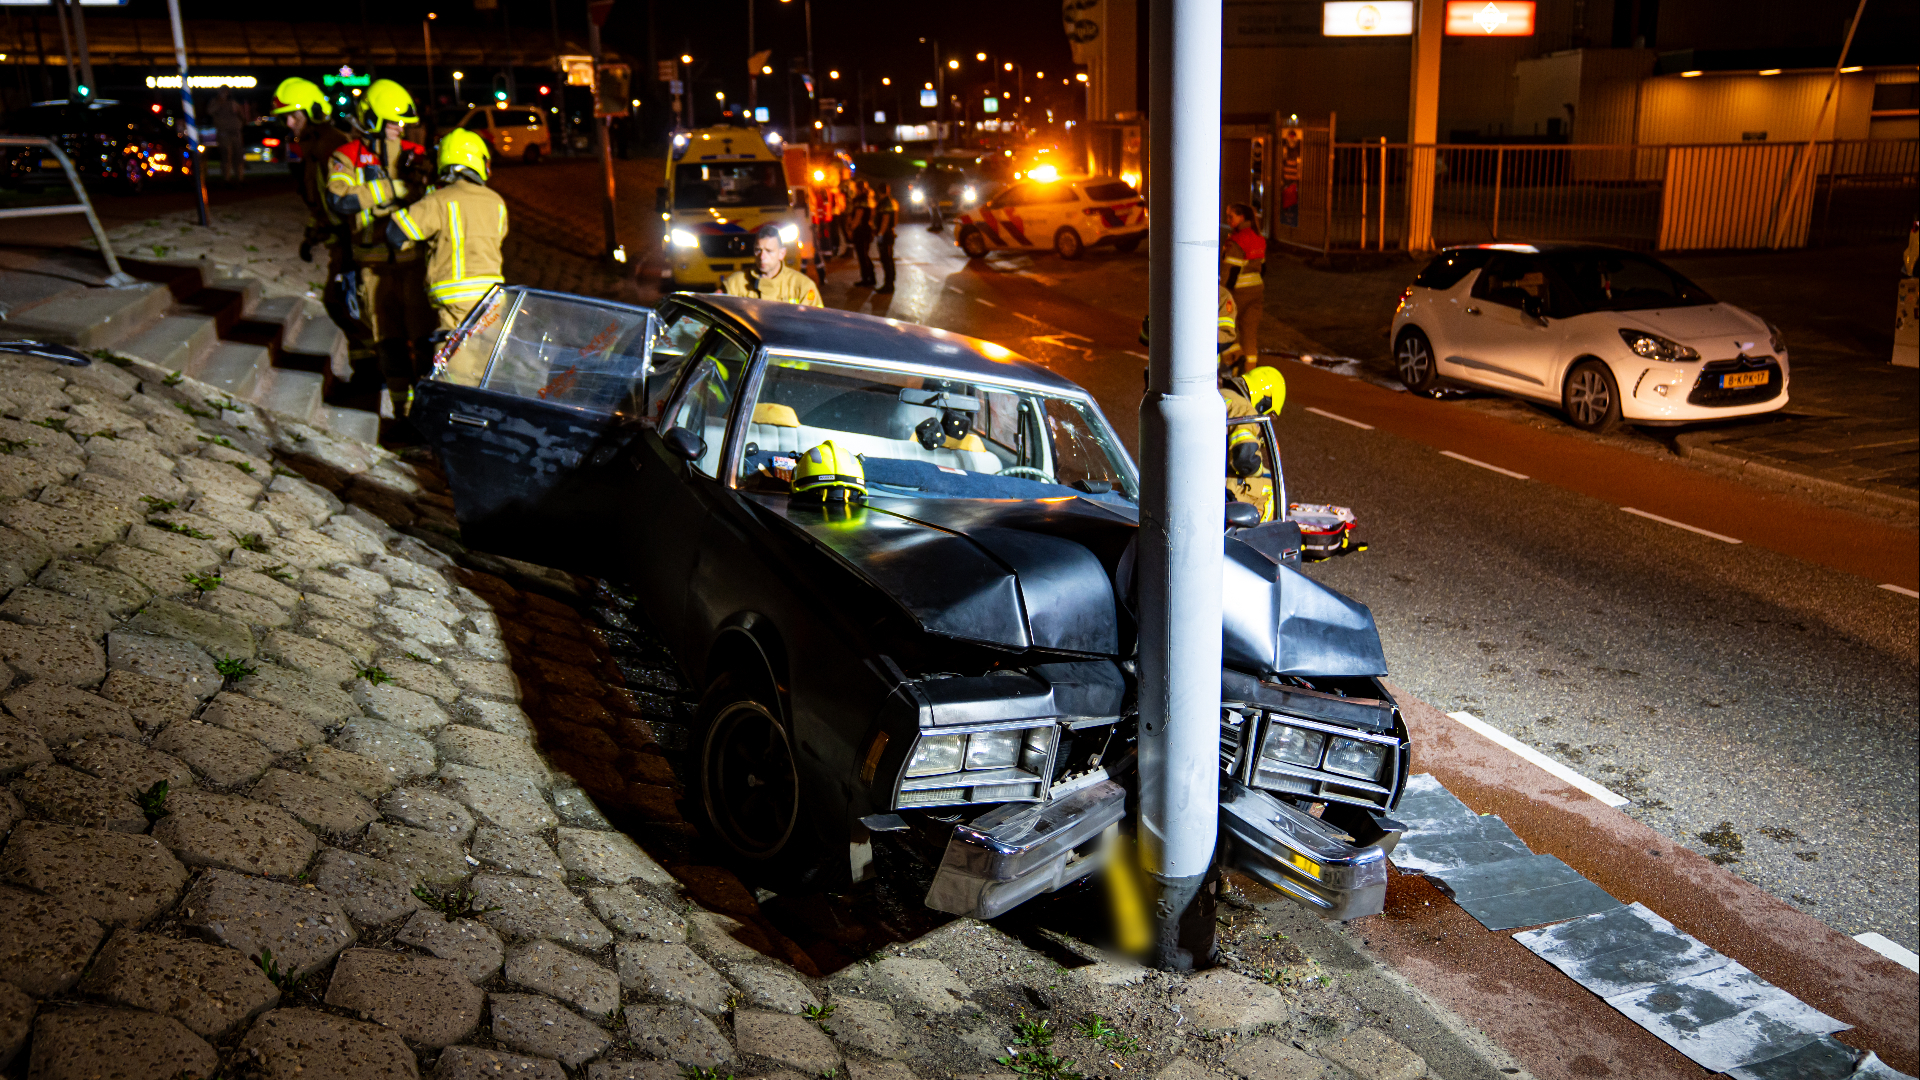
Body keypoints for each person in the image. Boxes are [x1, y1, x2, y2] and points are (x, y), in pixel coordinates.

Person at [326, 78, 435, 416]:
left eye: (402, 123)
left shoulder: (417, 155)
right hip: (372, 267)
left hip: (414, 262)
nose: (399, 129)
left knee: (422, 339)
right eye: (392, 122)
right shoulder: (346, 157)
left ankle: (425, 411)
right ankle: (402, 413)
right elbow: (338, 201)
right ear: (372, 118)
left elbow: (434, 204)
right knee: (386, 339)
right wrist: (392, 187)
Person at [387, 129, 508, 386]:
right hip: (494, 299)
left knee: (455, 377)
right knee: (488, 371)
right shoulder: (497, 201)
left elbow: (395, 233)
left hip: (454, 301)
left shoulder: (438, 200)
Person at [721, 224, 822, 307]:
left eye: (769, 251)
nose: (762, 257)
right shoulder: (734, 284)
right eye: (758, 250)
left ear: (782, 253)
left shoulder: (802, 286)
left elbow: (818, 325)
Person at [1222, 202, 1267, 363]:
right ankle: (1249, 373)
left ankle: (1233, 362)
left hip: (1238, 292)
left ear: (1241, 217)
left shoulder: (1237, 240)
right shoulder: (1259, 237)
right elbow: (1263, 267)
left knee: (1225, 326)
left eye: (1230, 216)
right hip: (1257, 292)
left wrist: (1224, 291)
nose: (1228, 219)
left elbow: (1231, 271)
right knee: (1249, 334)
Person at [207, 87, 246, 186]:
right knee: (226, 155)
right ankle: (226, 179)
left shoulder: (233, 102)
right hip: (224, 132)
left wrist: (239, 117)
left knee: (238, 155)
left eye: (226, 91)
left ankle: (240, 178)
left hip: (235, 132)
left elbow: (242, 115)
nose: (224, 93)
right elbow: (210, 111)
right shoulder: (214, 102)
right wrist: (220, 102)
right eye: (222, 91)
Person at [848, 178, 875, 287]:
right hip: (867, 229)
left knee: (862, 255)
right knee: (866, 254)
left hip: (860, 230)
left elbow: (858, 215)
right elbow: (872, 215)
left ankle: (866, 279)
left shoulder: (859, 200)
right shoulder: (870, 199)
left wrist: (851, 228)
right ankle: (871, 277)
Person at [872, 182, 899, 294]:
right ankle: (889, 282)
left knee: (886, 259)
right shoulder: (892, 202)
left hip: (885, 235)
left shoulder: (885, 203)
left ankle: (888, 284)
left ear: (879, 192)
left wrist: (880, 234)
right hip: (889, 233)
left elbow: (885, 219)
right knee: (888, 259)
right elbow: (895, 219)